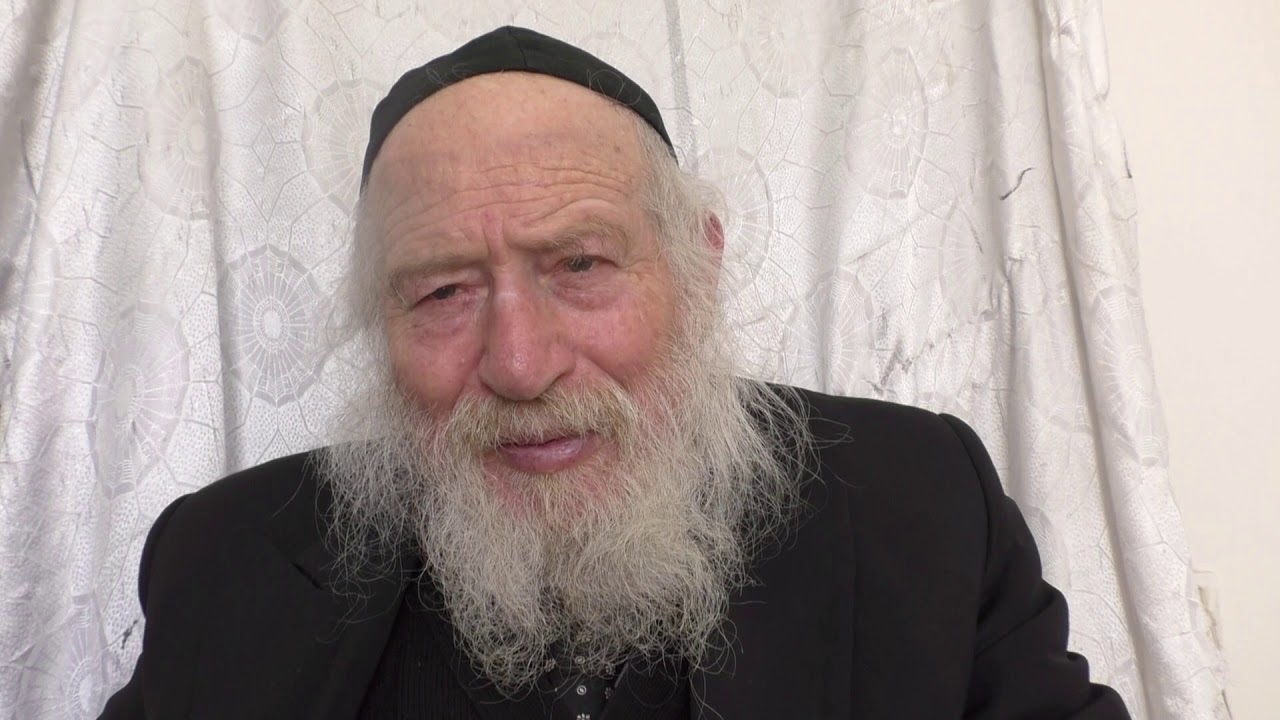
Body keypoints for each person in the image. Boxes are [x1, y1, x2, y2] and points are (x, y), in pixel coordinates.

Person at [99, 26, 1131, 720]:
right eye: (443, 291)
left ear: (697, 269)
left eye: (581, 266)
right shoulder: (225, 562)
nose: (519, 364)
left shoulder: (919, 503)